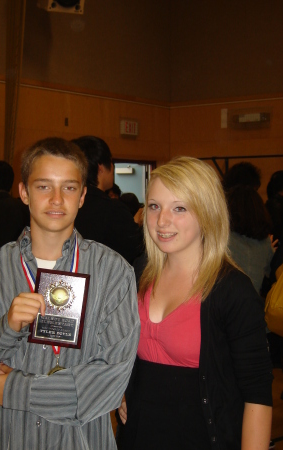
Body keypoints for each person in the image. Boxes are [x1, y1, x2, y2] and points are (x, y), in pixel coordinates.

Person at [0, 137, 140, 450]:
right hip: (11, 439)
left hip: (84, 442)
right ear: (23, 192)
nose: (56, 199)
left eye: (69, 187)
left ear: (82, 196)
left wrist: (17, 388)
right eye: (43, 186)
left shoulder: (113, 273)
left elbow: (112, 378)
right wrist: (5, 331)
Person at [116, 157, 273, 450]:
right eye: (154, 206)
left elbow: (257, 394)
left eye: (179, 208)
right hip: (140, 434)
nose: (162, 221)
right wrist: (125, 389)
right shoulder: (139, 272)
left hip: (202, 437)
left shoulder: (231, 290)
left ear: (207, 213)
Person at [73, 136, 144, 264]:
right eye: (111, 163)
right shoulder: (113, 209)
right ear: (100, 168)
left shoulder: (68, 202)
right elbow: (135, 252)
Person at [226, 185, 274, 296]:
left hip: (226, 303)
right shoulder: (266, 243)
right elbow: (269, 271)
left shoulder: (224, 239)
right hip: (253, 304)